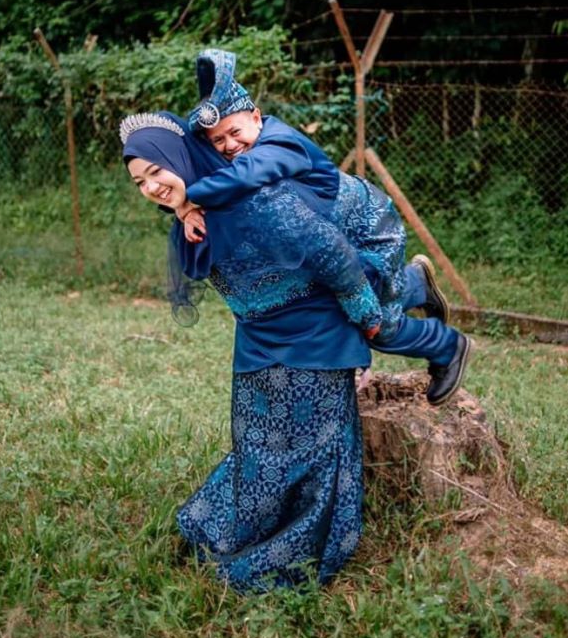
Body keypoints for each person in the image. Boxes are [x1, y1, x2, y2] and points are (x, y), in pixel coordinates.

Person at [121, 110, 381, 593]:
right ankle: (223, 529)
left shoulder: (253, 199)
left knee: (311, 458)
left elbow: (331, 253)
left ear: (179, 159)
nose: (151, 187)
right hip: (259, 345)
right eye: (140, 182)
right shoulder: (198, 209)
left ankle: (291, 554)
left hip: (313, 340)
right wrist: (183, 206)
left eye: (157, 172)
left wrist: (368, 321)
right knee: (258, 449)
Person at [176, 49, 472, 406]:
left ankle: (448, 346)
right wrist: (180, 205)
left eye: (234, 132)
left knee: (378, 327)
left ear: (256, 116)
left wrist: (185, 195)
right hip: (335, 237)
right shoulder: (244, 153)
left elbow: (246, 174)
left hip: (369, 228)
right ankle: (414, 283)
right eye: (218, 141)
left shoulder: (279, 142)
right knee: (355, 300)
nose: (229, 146)